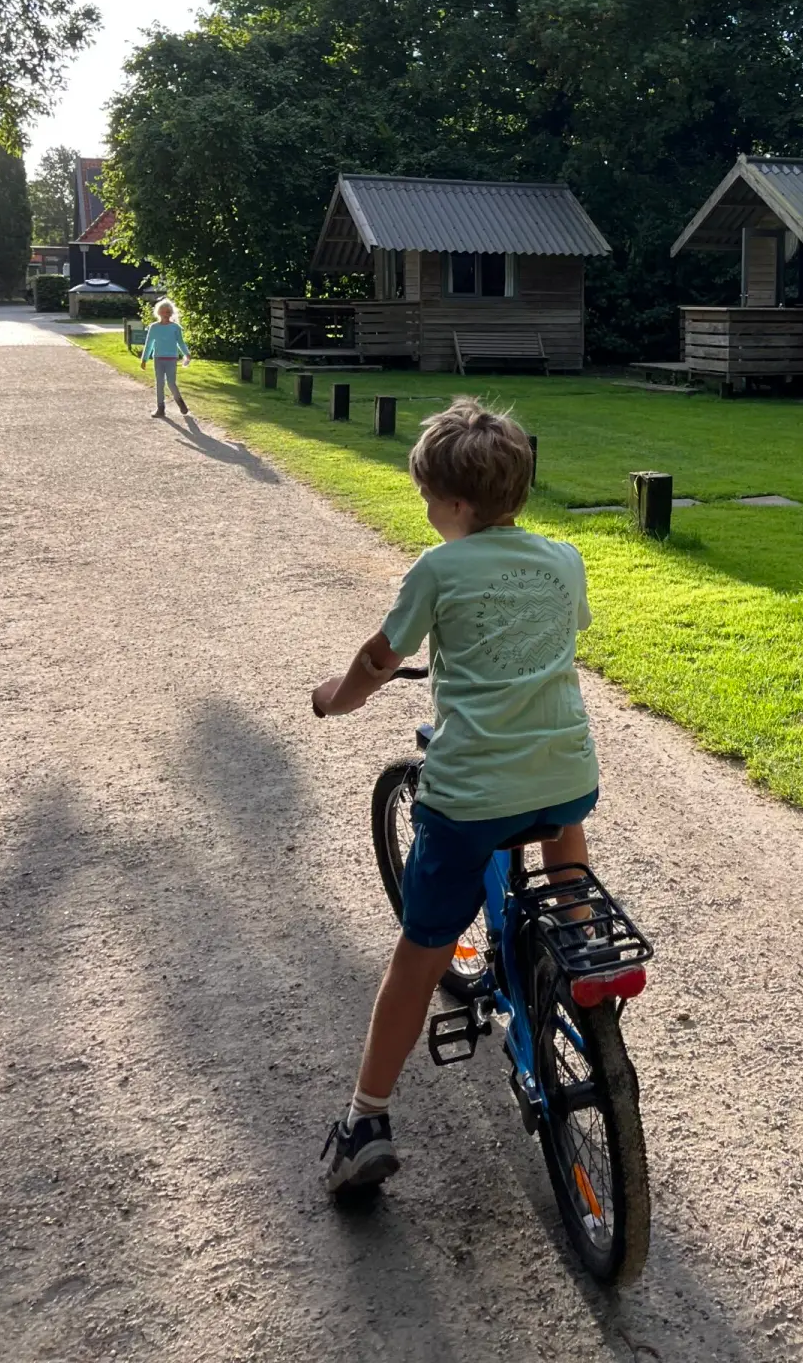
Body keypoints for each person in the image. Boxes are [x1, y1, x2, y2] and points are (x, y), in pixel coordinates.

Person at [311, 397, 599, 1197]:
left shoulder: (437, 569)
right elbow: (557, 630)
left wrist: (337, 696)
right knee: (559, 822)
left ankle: (365, 1118)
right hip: (567, 771)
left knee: (419, 951)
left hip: (471, 793)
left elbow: (379, 658)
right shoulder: (563, 557)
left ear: (458, 506)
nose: (427, 510)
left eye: (430, 499)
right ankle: (578, 952)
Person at [139, 298, 191, 419]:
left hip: (171, 358)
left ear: (171, 313)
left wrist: (187, 354)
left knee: (171, 383)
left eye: (168, 312)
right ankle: (160, 408)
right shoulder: (154, 327)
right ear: (159, 312)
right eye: (163, 312)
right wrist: (144, 359)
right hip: (158, 358)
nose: (166, 314)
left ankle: (181, 403)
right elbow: (149, 344)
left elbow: (181, 343)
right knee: (159, 383)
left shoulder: (175, 328)